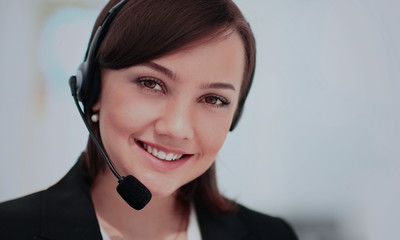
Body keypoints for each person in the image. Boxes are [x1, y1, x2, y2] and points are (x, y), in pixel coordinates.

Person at [0, 0, 298, 239]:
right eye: (151, 83)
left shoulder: (271, 234)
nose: (177, 128)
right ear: (93, 88)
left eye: (213, 99)